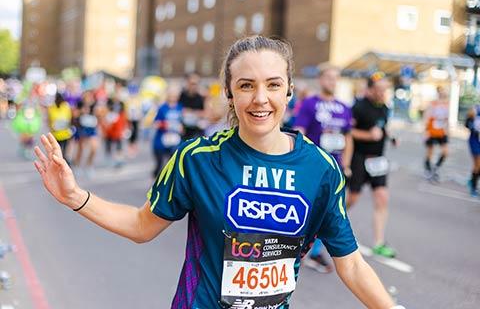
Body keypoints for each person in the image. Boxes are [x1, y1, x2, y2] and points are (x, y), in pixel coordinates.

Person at [33, 36, 401, 309]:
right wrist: (75, 197)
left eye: (273, 84)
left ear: (289, 90)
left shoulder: (320, 169)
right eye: (246, 85)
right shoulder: (197, 158)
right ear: (229, 92)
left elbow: (351, 264)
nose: (260, 98)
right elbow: (142, 226)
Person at [293, 64, 353, 273]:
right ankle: (300, 249)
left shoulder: (344, 107)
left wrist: (346, 164)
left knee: (329, 211)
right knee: (310, 211)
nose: (332, 81)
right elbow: (299, 132)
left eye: (336, 78)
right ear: (320, 80)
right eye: (328, 77)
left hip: (335, 168)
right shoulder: (310, 104)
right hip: (314, 167)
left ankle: (316, 251)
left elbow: (348, 137)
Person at [347, 72, 397, 258]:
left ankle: (379, 242)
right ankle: (326, 223)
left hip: (378, 160)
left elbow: (383, 127)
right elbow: (348, 132)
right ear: (369, 89)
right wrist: (368, 135)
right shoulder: (358, 107)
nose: (382, 93)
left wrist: (391, 137)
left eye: (385, 89)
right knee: (352, 198)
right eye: (379, 89)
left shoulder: (384, 107)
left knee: (382, 198)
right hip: (359, 158)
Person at [151, 84, 183, 178]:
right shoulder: (162, 108)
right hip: (161, 140)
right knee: (159, 165)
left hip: (175, 140)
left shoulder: (180, 107)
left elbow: (182, 121)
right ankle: (155, 180)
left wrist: (181, 127)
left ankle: (169, 185)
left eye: (175, 95)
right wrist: (166, 124)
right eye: (171, 95)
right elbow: (155, 123)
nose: (173, 97)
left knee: (172, 164)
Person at [423, 86, 449, 181]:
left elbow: (446, 120)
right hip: (432, 131)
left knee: (445, 152)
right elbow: (426, 117)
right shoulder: (433, 104)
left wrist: (448, 131)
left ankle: (436, 167)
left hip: (442, 132)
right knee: (430, 152)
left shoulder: (446, 105)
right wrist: (426, 131)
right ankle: (428, 169)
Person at [179, 72, 205, 140]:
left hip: (196, 130)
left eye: (196, 84)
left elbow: (205, 113)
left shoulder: (200, 97)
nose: (194, 86)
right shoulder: (181, 96)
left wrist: (190, 112)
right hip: (182, 130)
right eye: (192, 84)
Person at [47, 92, 73, 158]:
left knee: (62, 150)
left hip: (64, 133)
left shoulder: (65, 106)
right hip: (58, 133)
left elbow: (69, 118)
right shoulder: (53, 107)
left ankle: (63, 159)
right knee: (59, 150)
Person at [466, 104, 480, 197]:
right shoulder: (476, 109)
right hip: (475, 141)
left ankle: (472, 181)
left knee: (478, 165)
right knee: (478, 163)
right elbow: (467, 124)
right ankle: (473, 188)